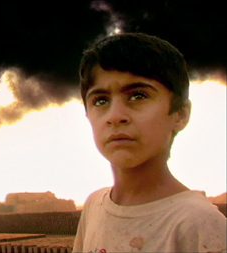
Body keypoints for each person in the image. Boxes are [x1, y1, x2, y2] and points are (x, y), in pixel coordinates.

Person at [73, 33, 226, 253]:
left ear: (180, 114)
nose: (115, 116)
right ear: (87, 114)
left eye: (138, 96)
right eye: (101, 100)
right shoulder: (94, 206)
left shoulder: (197, 222)